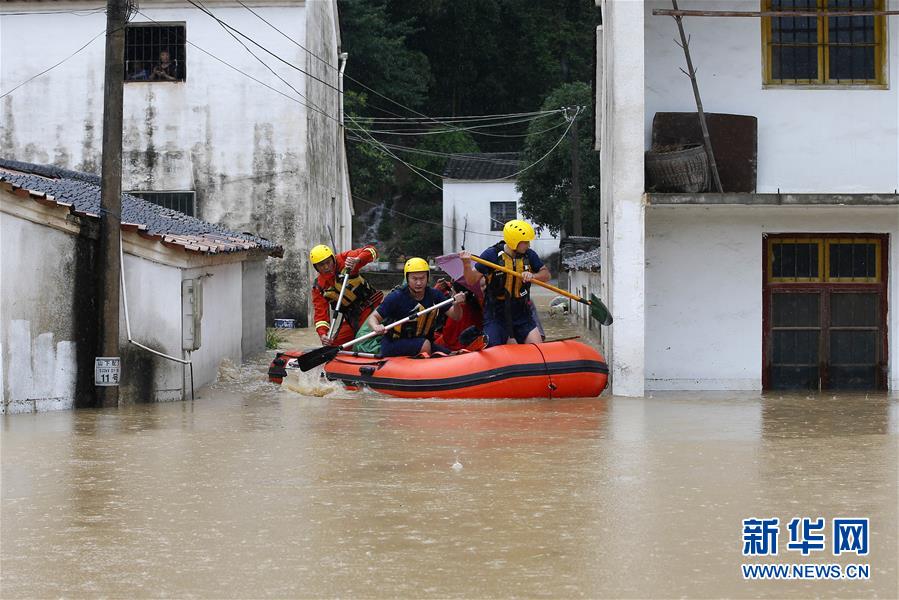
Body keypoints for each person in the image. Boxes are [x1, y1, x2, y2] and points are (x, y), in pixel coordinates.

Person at [460, 219, 550, 347]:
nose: (528, 245)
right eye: (525, 242)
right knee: (493, 346)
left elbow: (546, 275)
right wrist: (466, 264)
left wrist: (533, 276)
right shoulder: (491, 255)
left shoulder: (529, 255)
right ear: (514, 242)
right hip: (496, 313)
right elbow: (471, 280)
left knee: (538, 347)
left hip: (522, 313)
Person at [367, 257, 466, 357]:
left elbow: (456, 316)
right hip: (394, 343)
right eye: (414, 278)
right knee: (425, 345)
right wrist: (376, 326)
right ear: (407, 278)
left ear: (427, 277)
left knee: (453, 355)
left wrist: (456, 304)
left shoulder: (434, 295)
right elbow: (373, 317)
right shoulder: (396, 297)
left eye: (422, 278)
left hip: (422, 342)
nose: (419, 283)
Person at [310, 243, 382, 346]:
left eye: (328, 262)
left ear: (333, 259)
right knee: (335, 346)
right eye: (321, 265)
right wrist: (323, 334)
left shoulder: (346, 260)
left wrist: (357, 260)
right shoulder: (319, 287)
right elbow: (320, 314)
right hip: (352, 317)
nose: (326, 267)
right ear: (316, 267)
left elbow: (372, 251)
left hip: (372, 309)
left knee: (365, 340)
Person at [433, 281, 484, 351]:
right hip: (472, 345)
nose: (451, 295)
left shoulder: (457, 310)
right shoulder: (478, 306)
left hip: (455, 348)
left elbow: (448, 337)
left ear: (459, 294)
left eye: (453, 292)